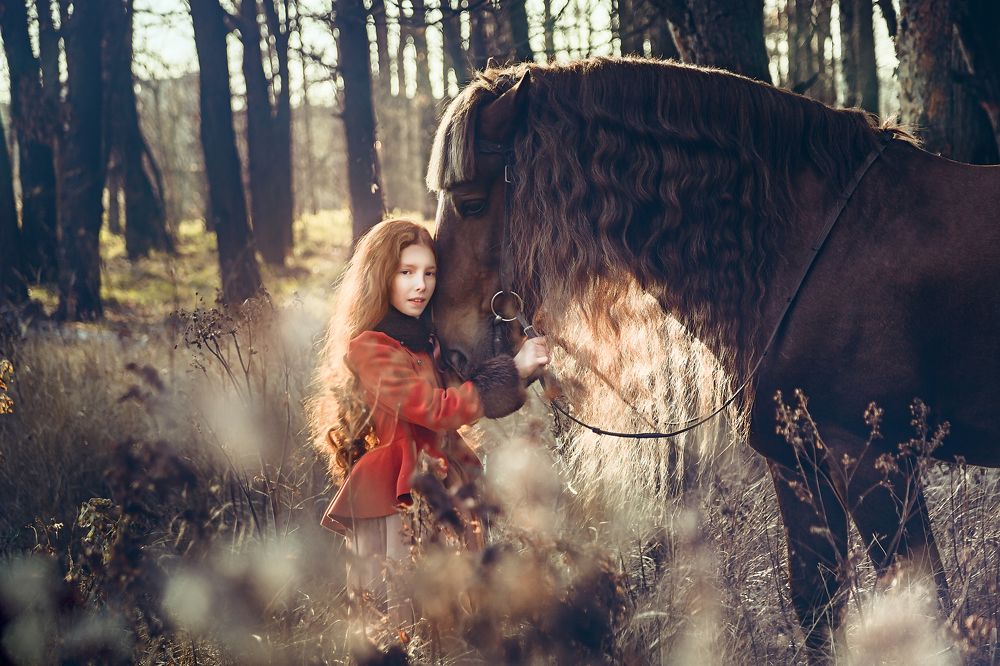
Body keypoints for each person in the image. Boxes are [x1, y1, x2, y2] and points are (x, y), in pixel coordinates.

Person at [307, 218, 549, 605]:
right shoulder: (370, 348)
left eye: (429, 273)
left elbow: (466, 395)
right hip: (398, 494)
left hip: (445, 483)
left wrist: (520, 363)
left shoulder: (429, 343)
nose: (420, 285)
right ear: (381, 277)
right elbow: (435, 409)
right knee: (406, 611)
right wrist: (512, 370)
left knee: (458, 608)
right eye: (406, 272)